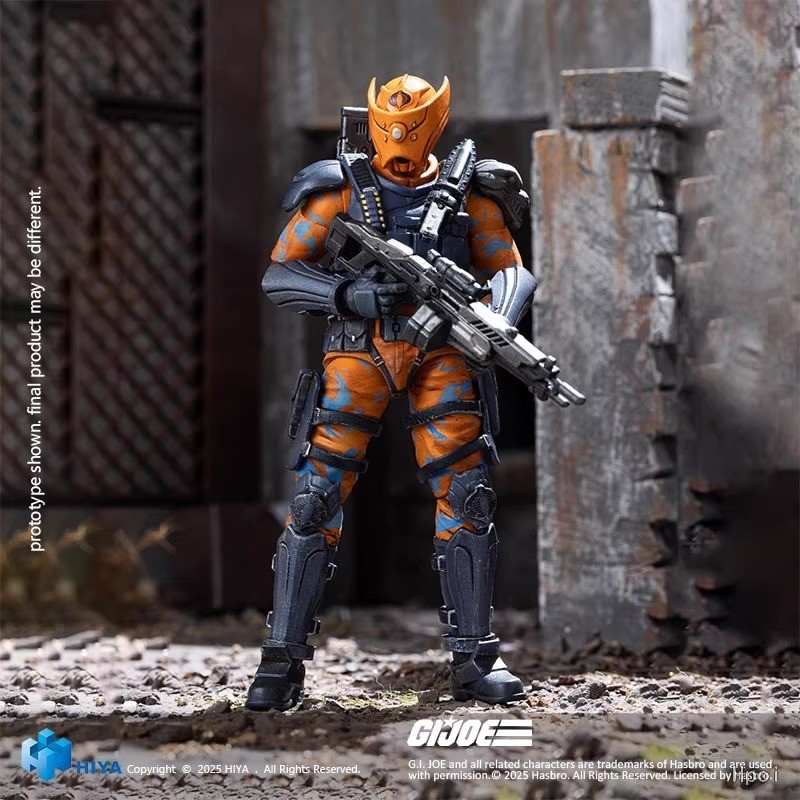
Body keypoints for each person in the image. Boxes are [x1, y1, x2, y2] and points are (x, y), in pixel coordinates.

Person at [247, 74, 536, 710]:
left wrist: (495, 320)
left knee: (468, 494)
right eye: (390, 130)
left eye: (413, 131)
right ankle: (281, 661)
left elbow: (511, 271)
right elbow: (280, 274)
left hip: (446, 352)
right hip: (359, 350)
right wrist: (346, 293)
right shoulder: (338, 189)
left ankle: (475, 658)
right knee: (316, 498)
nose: (400, 147)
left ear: (437, 124)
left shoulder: (473, 193)